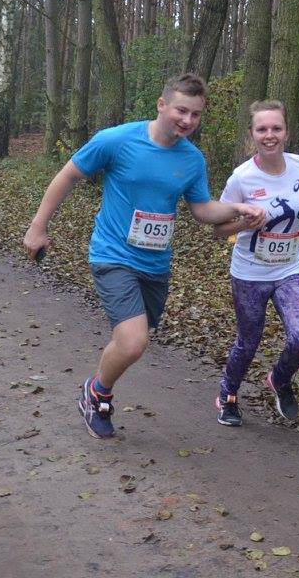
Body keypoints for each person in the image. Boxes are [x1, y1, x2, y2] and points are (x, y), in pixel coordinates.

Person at [21, 73, 267, 440]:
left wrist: (238, 210)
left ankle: (96, 387)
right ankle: (98, 395)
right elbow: (67, 176)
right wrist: (38, 226)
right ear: (162, 105)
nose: (187, 120)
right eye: (181, 110)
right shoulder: (117, 140)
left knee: (130, 341)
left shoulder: (192, 159)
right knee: (134, 341)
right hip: (112, 255)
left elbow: (202, 210)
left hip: (155, 264)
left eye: (196, 114)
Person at [211, 100, 299, 427]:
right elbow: (218, 230)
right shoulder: (241, 179)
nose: (269, 135)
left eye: (276, 128)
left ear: (287, 132)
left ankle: (279, 379)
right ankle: (227, 395)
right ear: (252, 135)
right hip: (250, 273)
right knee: (248, 342)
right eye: (262, 129)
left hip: (289, 269)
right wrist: (244, 223)